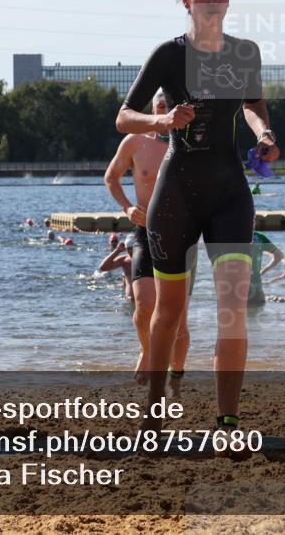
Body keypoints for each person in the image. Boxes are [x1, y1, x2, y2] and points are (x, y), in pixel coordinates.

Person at [115, 0, 279, 440]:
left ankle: (228, 421)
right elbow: (124, 117)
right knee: (168, 312)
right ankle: (154, 411)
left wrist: (264, 131)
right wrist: (162, 123)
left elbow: (252, 103)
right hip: (177, 194)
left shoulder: (244, 53)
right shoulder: (169, 54)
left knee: (232, 311)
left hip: (230, 193)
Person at [104, 90, 191, 392]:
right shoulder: (135, 142)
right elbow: (111, 177)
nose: (165, 113)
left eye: (170, 107)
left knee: (179, 320)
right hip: (144, 231)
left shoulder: (191, 147)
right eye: (160, 107)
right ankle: (149, 351)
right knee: (143, 307)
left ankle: (176, 375)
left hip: (181, 234)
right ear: (153, 110)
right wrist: (127, 207)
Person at [247, 231, 284, 307]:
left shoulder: (233, 235)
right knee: (258, 315)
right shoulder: (260, 237)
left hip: (236, 288)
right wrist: (263, 271)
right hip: (256, 288)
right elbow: (279, 255)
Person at [97, 233, 134, 300]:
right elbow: (103, 267)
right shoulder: (125, 260)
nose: (130, 251)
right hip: (129, 300)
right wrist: (117, 251)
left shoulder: (147, 259)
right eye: (128, 249)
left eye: (132, 248)